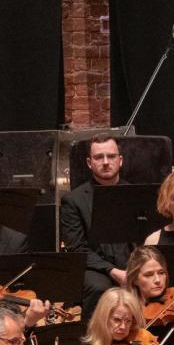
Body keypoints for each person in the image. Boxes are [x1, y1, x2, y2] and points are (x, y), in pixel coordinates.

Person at [60, 134, 131, 316]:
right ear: (90, 163)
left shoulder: (135, 193)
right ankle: (93, 342)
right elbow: (77, 248)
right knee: (101, 288)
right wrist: (112, 270)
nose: (106, 162)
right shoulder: (73, 200)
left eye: (111, 156)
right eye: (99, 157)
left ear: (120, 160)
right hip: (95, 268)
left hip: (131, 264)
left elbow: (144, 238)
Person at [125, 245, 174, 345]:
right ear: (135, 279)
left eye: (161, 273)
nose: (157, 280)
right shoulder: (127, 309)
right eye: (149, 275)